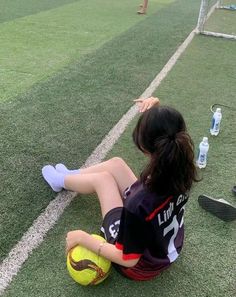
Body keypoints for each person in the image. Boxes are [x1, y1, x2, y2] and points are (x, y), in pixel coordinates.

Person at [42, 97, 198, 281]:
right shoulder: (183, 169)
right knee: (116, 164)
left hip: (141, 266)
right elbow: (168, 133)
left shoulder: (138, 203)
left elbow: (128, 259)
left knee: (103, 180)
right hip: (165, 248)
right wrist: (156, 112)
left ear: (146, 148)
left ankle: (59, 180)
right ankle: (71, 175)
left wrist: (84, 239)